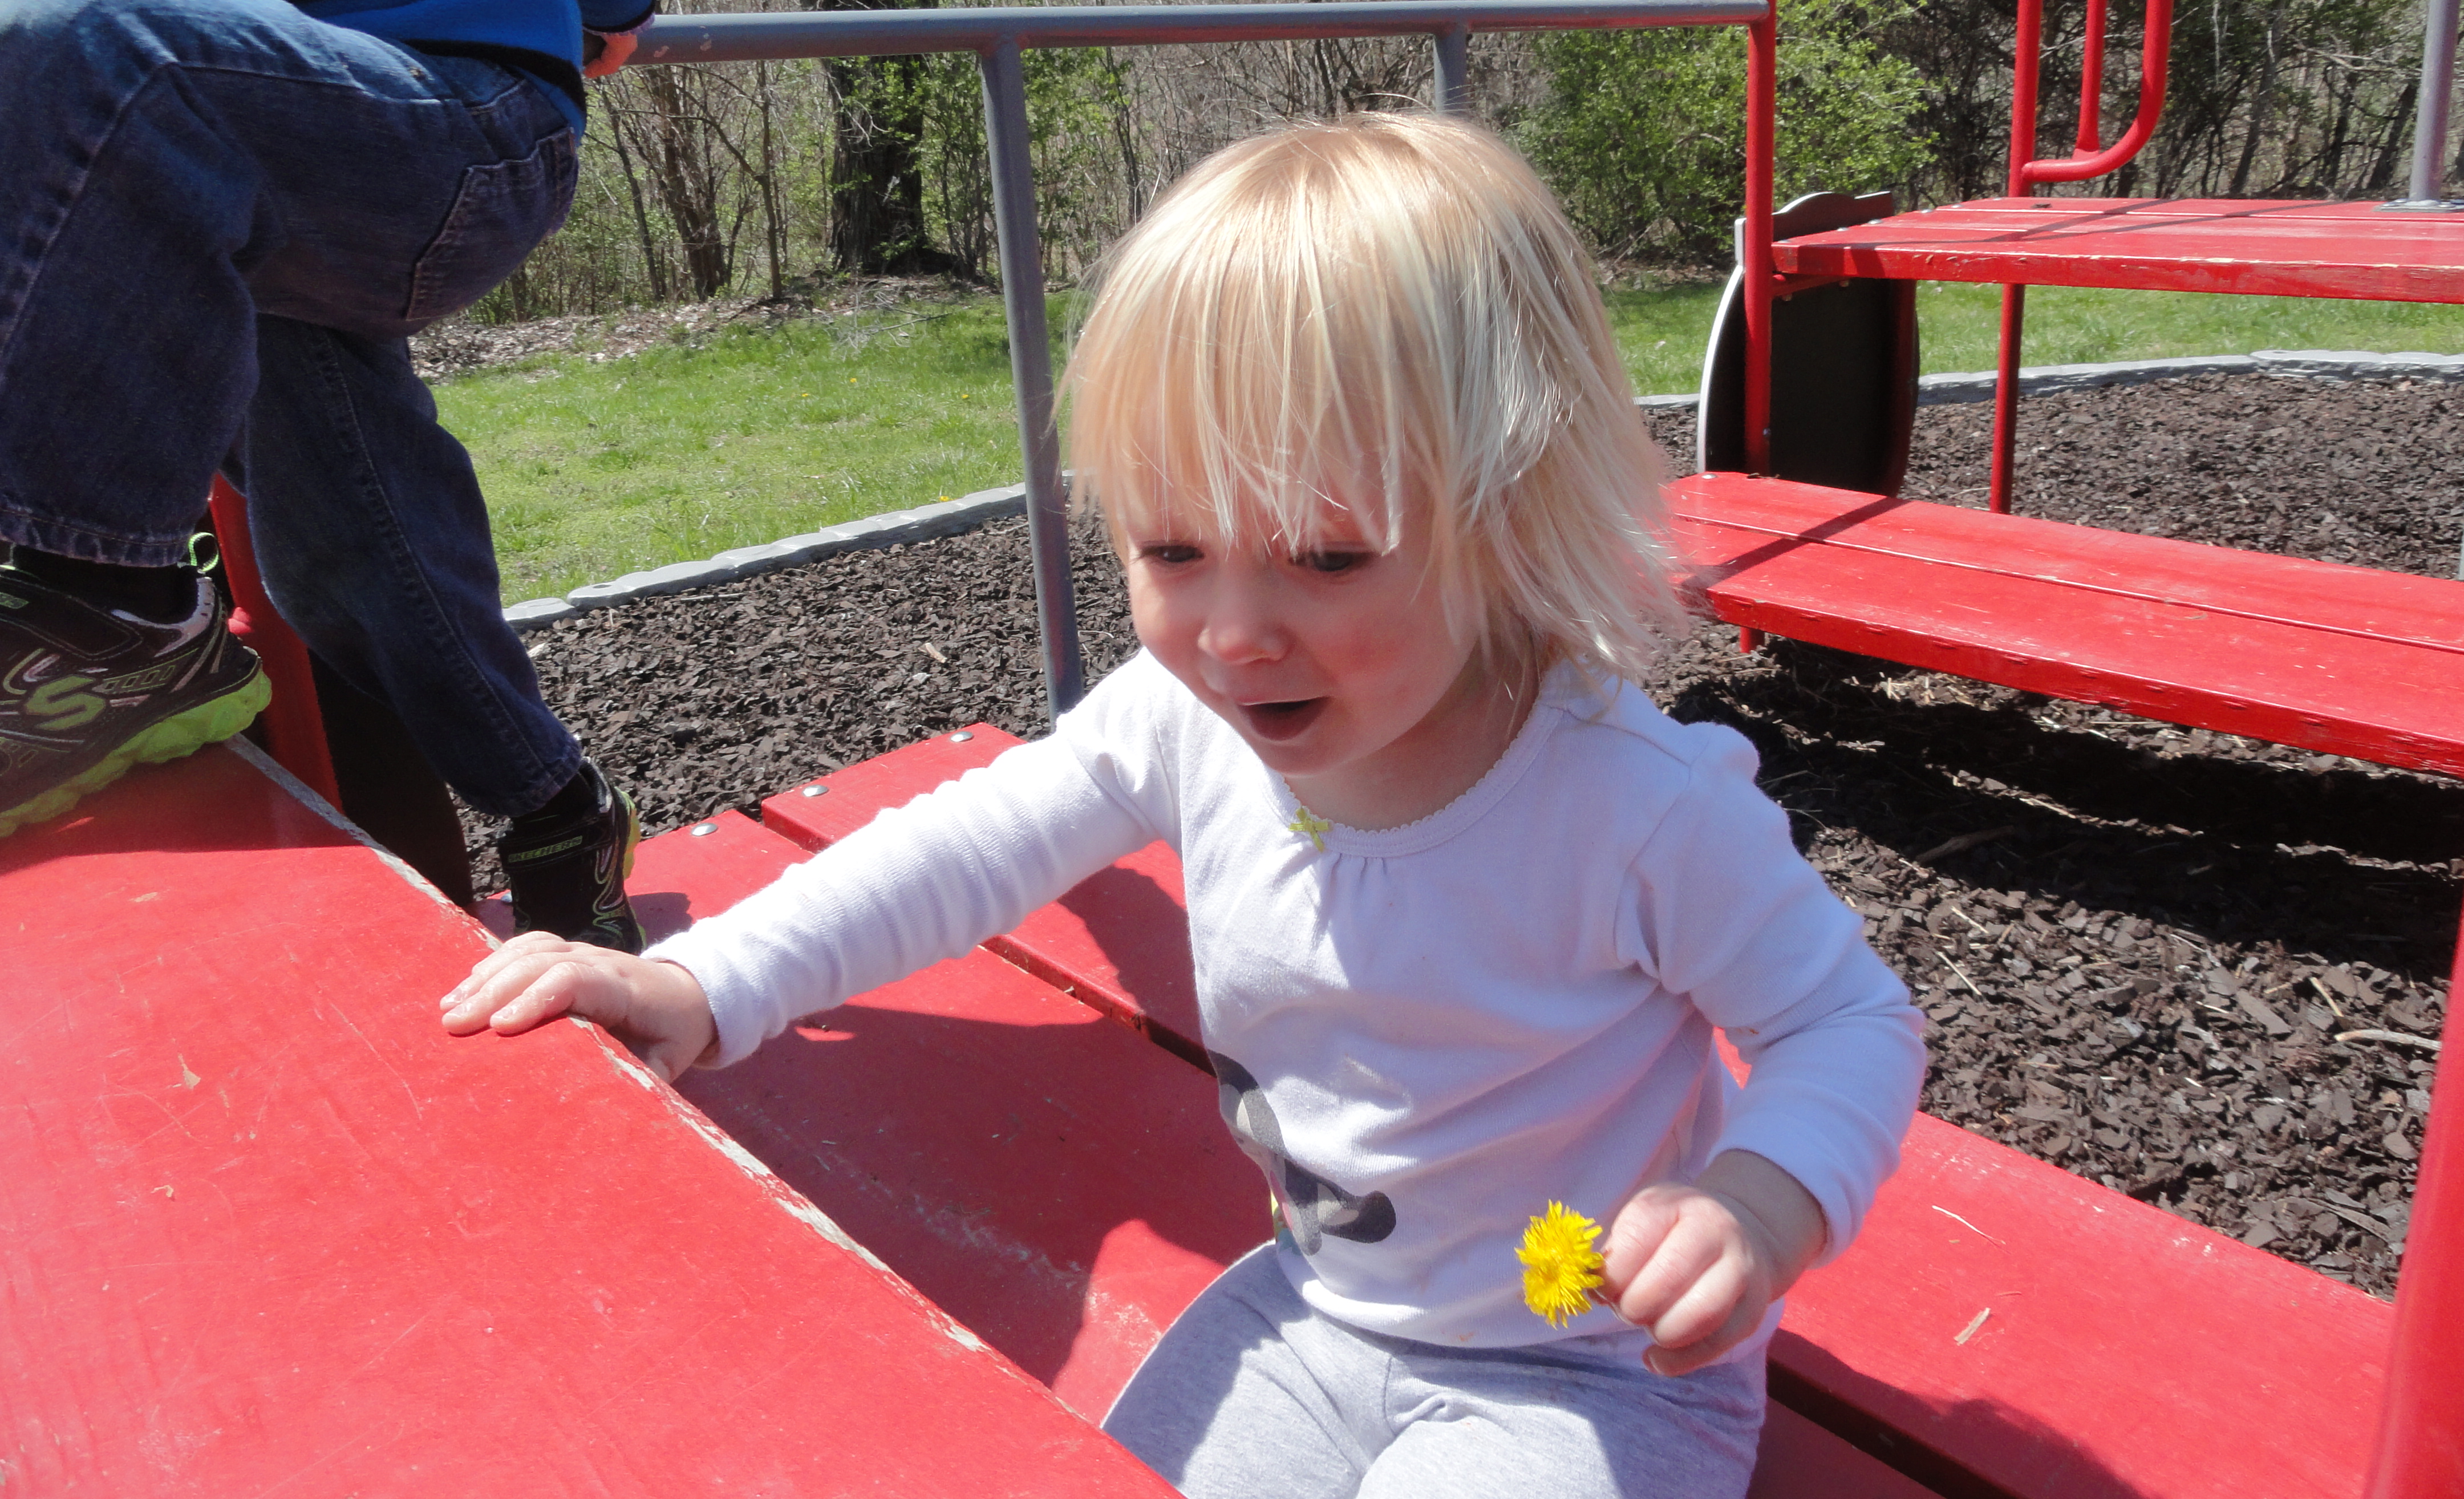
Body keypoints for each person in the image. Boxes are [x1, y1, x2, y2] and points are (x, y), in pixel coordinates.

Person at [440, 115, 1926, 1494]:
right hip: (1317, 1312)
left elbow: (1846, 1022)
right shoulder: (1189, 720)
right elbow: (970, 845)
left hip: (1592, 1367)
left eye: (1327, 558)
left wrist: (1758, 1202)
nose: (1234, 633)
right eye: (1172, 550)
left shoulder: (1629, 807)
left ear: (1511, 513)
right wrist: (709, 980)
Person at [0, 0, 655, 948]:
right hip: (203, 140)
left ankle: (108, 602)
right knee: (349, 517)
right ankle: (556, 805)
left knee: (46, 33)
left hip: (448, 116)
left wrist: (613, 1)